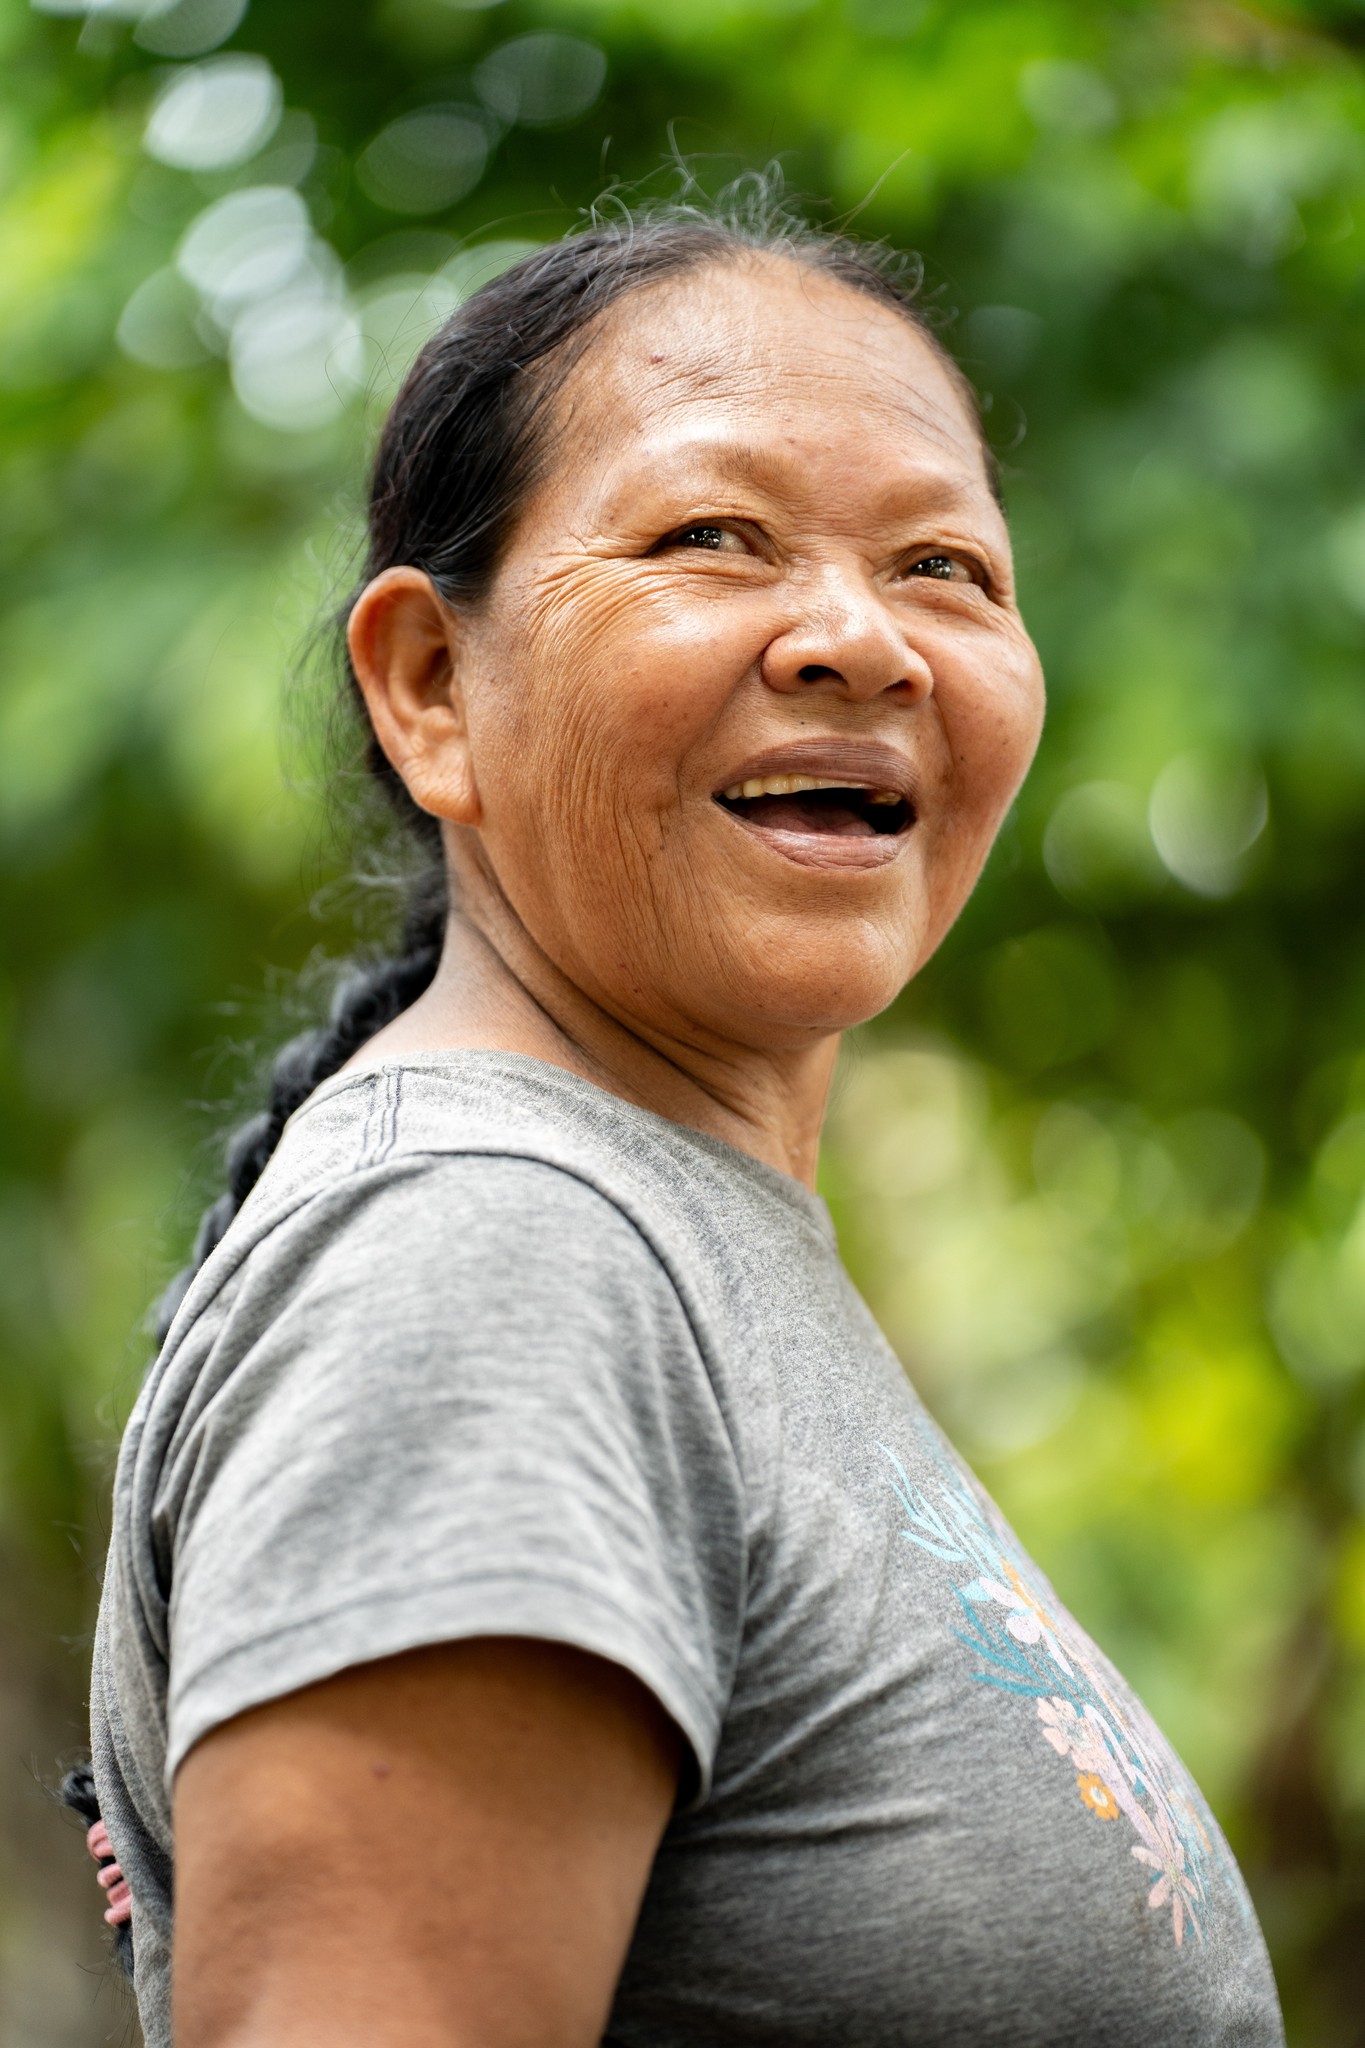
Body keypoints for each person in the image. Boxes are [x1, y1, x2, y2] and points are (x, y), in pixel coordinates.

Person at [75, 191, 1284, 2047]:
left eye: (945, 569)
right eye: (711, 538)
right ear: (428, 688)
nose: (860, 641)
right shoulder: (498, 1256)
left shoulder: (669, 1241)